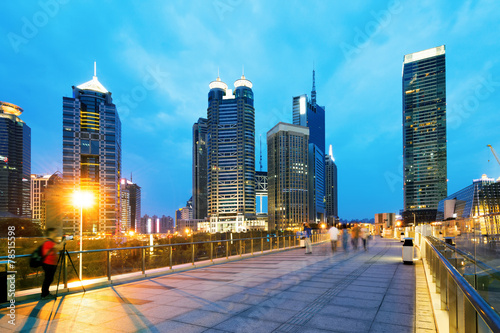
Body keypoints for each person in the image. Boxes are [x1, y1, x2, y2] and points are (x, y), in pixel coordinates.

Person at [41, 228, 66, 300]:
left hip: (51, 264)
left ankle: (46, 293)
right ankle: (44, 294)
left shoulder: (51, 241)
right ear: (51, 233)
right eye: (54, 233)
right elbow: (59, 247)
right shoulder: (48, 242)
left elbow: (59, 248)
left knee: (49, 279)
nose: (55, 234)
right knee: (48, 279)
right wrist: (63, 241)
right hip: (48, 264)